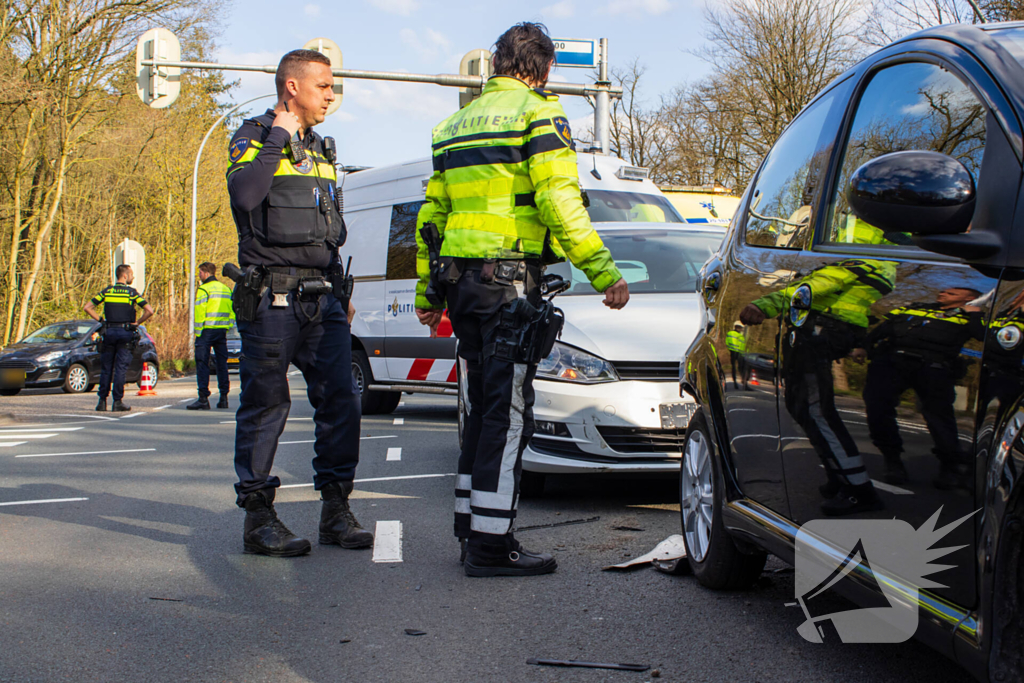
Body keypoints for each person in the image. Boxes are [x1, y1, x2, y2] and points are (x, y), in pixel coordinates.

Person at [414, 22, 629, 577]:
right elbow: (559, 200)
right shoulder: (539, 114)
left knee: (480, 411)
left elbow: (431, 218)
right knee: (507, 416)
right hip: (509, 284)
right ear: (544, 68)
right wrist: (604, 272)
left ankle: (472, 528)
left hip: (462, 287)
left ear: (497, 64)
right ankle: (491, 545)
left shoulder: (450, 128)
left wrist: (427, 291)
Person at [225, 48, 370, 557]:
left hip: (322, 297)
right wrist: (279, 136)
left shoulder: (323, 149)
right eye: (324, 86)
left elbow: (325, 229)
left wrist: (339, 289)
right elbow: (245, 196)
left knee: (343, 400)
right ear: (292, 87)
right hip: (271, 297)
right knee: (266, 406)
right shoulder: (256, 135)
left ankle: (336, 510)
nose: (332, 95)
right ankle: (259, 519)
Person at [741, 256, 897, 516]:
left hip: (820, 333)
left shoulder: (865, 253)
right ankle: (839, 474)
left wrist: (765, 304)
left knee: (816, 410)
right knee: (803, 408)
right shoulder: (862, 254)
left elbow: (815, 286)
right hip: (817, 332)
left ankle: (859, 490)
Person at [858, 287, 984, 488]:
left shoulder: (971, 316)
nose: (944, 293)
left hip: (934, 369)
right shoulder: (915, 308)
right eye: (944, 291)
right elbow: (883, 329)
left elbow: (983, 336)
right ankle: (892, 460)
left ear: (970, 298)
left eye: (952, 293)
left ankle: (949, 466)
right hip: (891, 362)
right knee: (877, 408)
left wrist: (975, 314)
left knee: (939, 417)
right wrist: (863, 346)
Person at [83, 264, 154, 412]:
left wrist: (101, 321)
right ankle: (117, 402)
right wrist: (137, 323)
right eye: (131, 275)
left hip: (108, 332)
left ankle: (102, 401)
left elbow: (87, 307)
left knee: (106, 368)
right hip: (125, 333)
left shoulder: (107, 292)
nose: (132, 277)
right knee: (120, 369)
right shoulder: (131, 293)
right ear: (125, 276)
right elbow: (149, 310)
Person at [187, 262, 235, 410]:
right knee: (222, 365)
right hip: (221, 331)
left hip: (206, 331)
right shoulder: (226, 289)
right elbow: (232, 311)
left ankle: (203, 398)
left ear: (206, 273)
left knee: (202, 363)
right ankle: (223, 398)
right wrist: (228, 326)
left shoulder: (204, 289)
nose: (199, 276)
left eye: (200, 272)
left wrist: (197, 332)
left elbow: (200, 312)